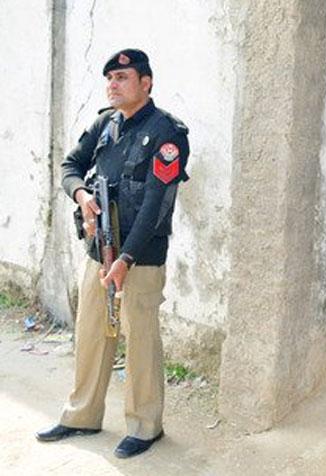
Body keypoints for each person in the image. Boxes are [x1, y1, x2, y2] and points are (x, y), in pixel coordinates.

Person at [36, 49, 190, 459]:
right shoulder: (105, 123)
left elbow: (158, 206)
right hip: (97, 252)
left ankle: (145, 425)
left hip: (139, 258)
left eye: (122, 77)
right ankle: (82, 415)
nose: (113, 84)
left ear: (146, 83)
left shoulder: (167, 134)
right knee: (91, 335)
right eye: (110, 78)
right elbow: (70, 165)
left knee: (139, 340)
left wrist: (126, 260)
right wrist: (82, 194)